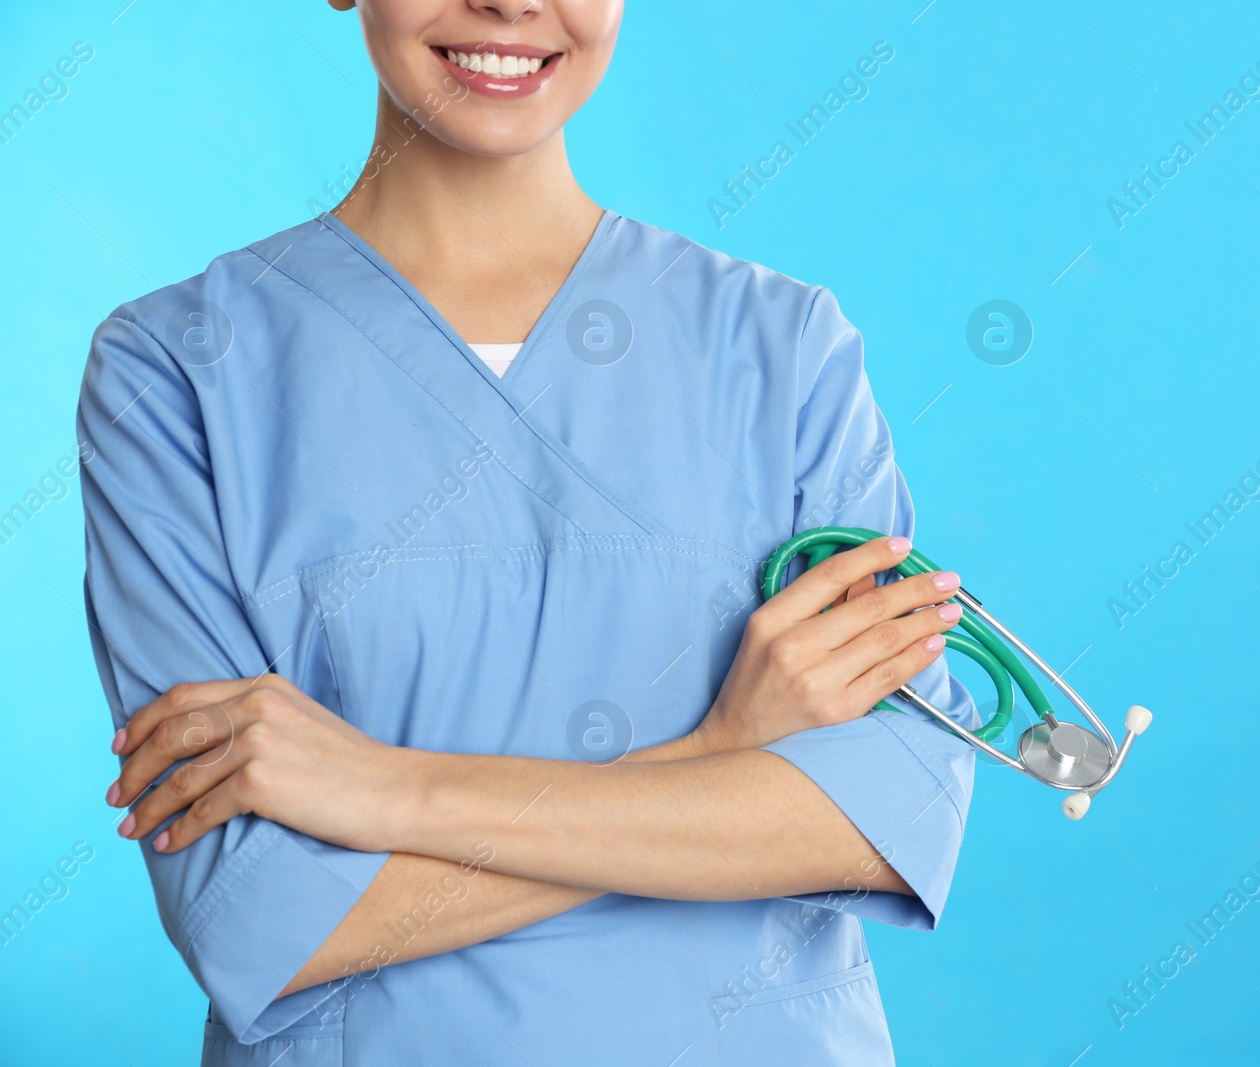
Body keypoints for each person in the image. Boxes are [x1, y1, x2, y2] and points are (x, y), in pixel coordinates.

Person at [80, 1, 978, 1063]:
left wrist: (387, 786)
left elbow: (877, 818)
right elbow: (259, 917)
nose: (509, 4)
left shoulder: (783, 350)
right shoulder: (176, 368)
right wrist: (716, 757)